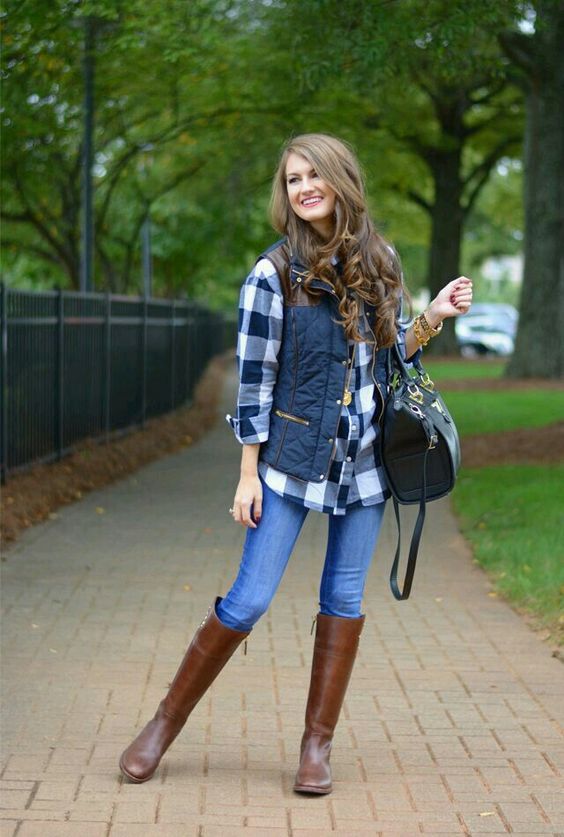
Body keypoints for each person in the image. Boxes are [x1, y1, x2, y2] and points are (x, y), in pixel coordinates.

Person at [119, 133, 473, 793]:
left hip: (364, 465)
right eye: (292, 179)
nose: (304, 187)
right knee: (249, 598)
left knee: (343, 599)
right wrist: (246, 475)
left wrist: (431, 317)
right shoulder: (273, 273)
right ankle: (164, 723)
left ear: (341, 179)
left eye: (314, 174)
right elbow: (254, 381)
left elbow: (388, 356)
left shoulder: (381, 260)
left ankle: (316, 747)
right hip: (289, 460)